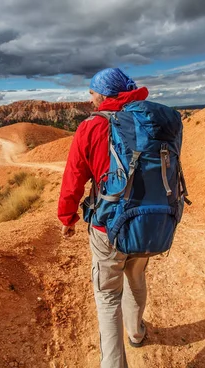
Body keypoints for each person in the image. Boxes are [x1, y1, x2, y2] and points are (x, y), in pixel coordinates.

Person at [58, 68, 149, 367]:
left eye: (93, 91)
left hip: (107, 226)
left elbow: (74, 178)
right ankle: (136, 333)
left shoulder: (91, 126)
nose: (90, 96)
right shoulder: (147, 119)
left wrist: (67, 217)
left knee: (108, 298)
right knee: (136, 277)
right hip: (145, 222)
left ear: (105, 94)